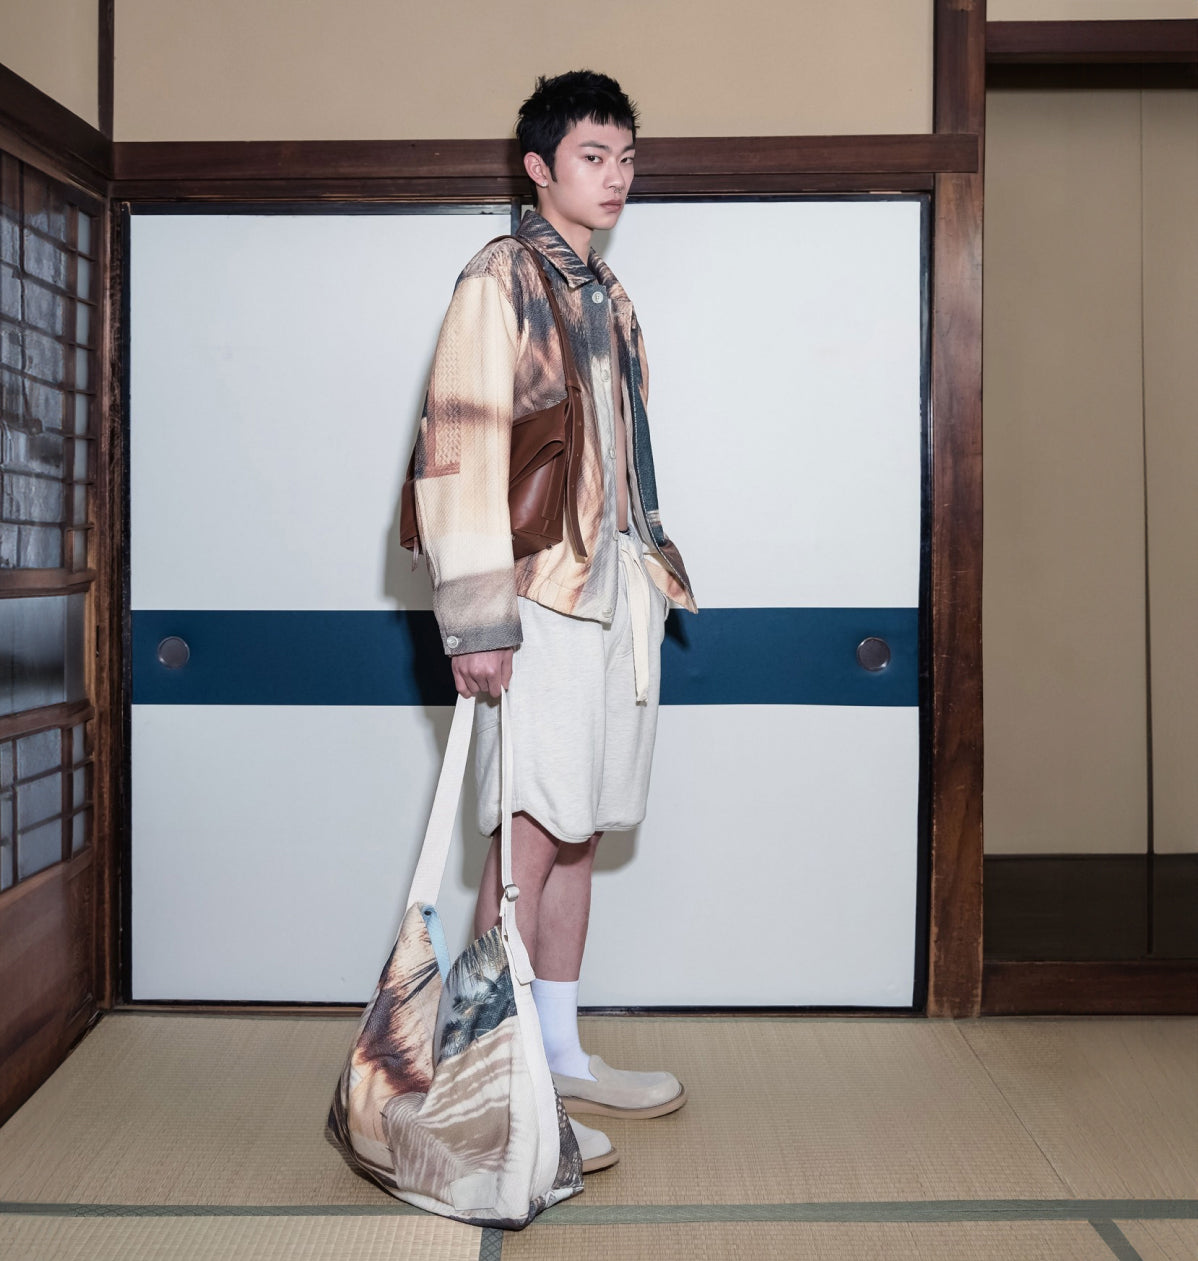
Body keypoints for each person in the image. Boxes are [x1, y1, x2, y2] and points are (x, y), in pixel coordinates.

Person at [407, 70, 696, 1172]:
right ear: (539, 168)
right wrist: (477, 619)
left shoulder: (607, 294)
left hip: (614, 588)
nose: (615, 178)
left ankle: (559, 1053)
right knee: (525, 835)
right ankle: (487, 1093)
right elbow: (456, 445)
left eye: (625, 159)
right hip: (534, 597)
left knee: (579, 829)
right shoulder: (500, 280)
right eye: (591, 157)